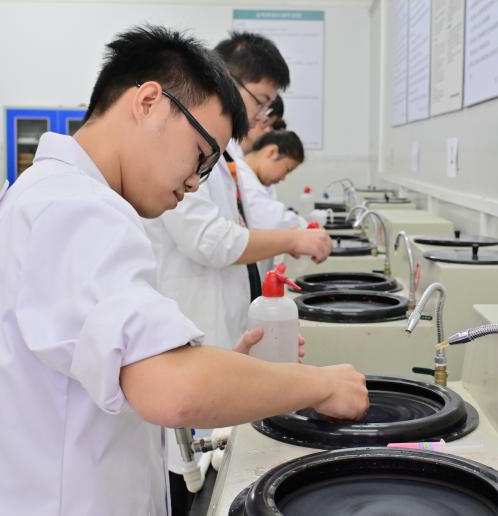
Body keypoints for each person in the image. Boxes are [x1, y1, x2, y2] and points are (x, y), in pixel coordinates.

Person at [0, 25, 368, 516]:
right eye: (200, 156)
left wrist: (223, 370)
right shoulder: (78, 209)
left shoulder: (48, 193)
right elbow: (173, 391)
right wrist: (320, 385)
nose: (195, 182)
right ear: (148, 102)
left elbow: (113, 368)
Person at [143, 30, 335, 512]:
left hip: (218, 345)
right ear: (227, 79)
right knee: (182, 482)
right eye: (262, 101)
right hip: (188, 346)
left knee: (208, 476)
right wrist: (293, 239)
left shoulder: (223, 158)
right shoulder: (186, 154)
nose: (262, 117)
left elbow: (241, 230)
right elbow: (211, 241)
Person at [238, 130, 308, 274]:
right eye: (287, 169)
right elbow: (270, 220)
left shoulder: (254, 181)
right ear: (272, 152)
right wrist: (305, 230)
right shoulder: (243, 179)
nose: (283, 178)